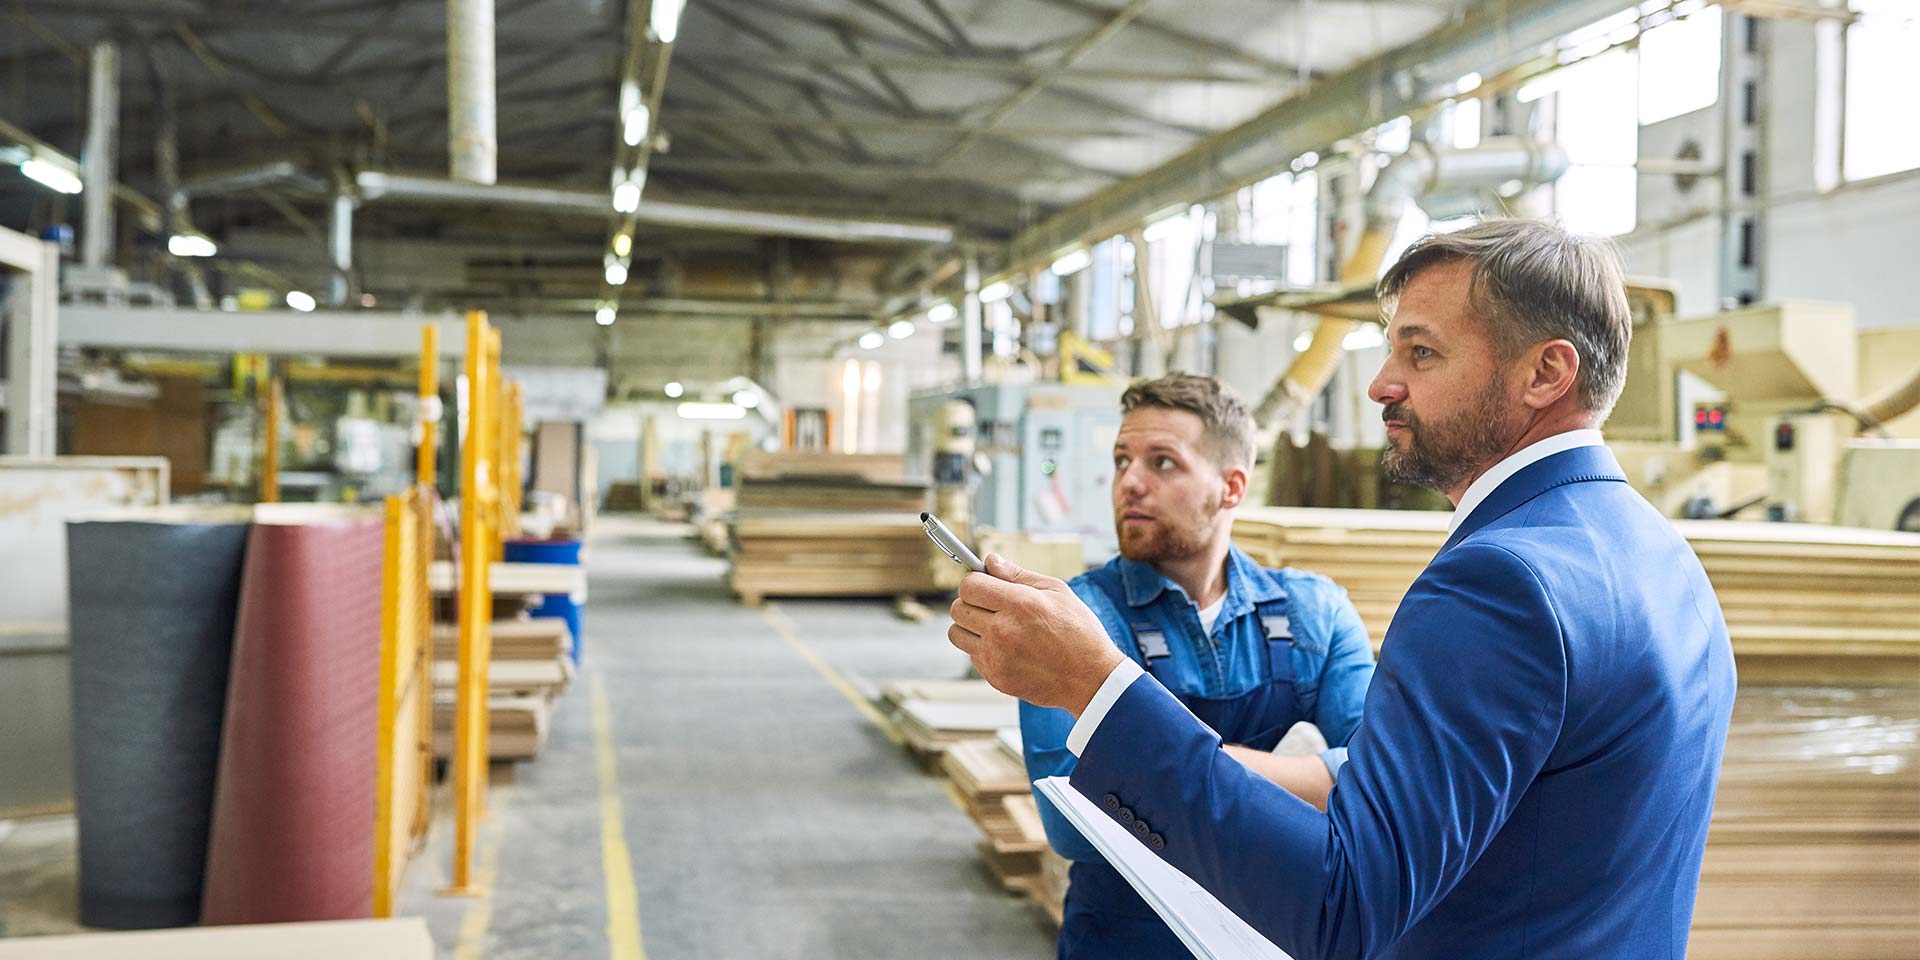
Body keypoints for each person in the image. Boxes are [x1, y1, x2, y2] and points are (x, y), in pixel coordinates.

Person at [949, 219, 1737, 959]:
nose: (1381, 385)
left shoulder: (1500, 584)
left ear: (1545, 372)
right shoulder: (1661, 555)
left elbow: (1343, 908)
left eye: (1421, 354)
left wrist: (1097, 685)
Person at [1020, 373, 1377, 959]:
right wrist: (1300, 781)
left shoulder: (1315, 612)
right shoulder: (1072, 621)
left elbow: (1371, 781)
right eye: (1121, 459)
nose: (1129, 482)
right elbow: (1072, 824)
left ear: (1232, 487)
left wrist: (1147, 764)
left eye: (1162, 463)